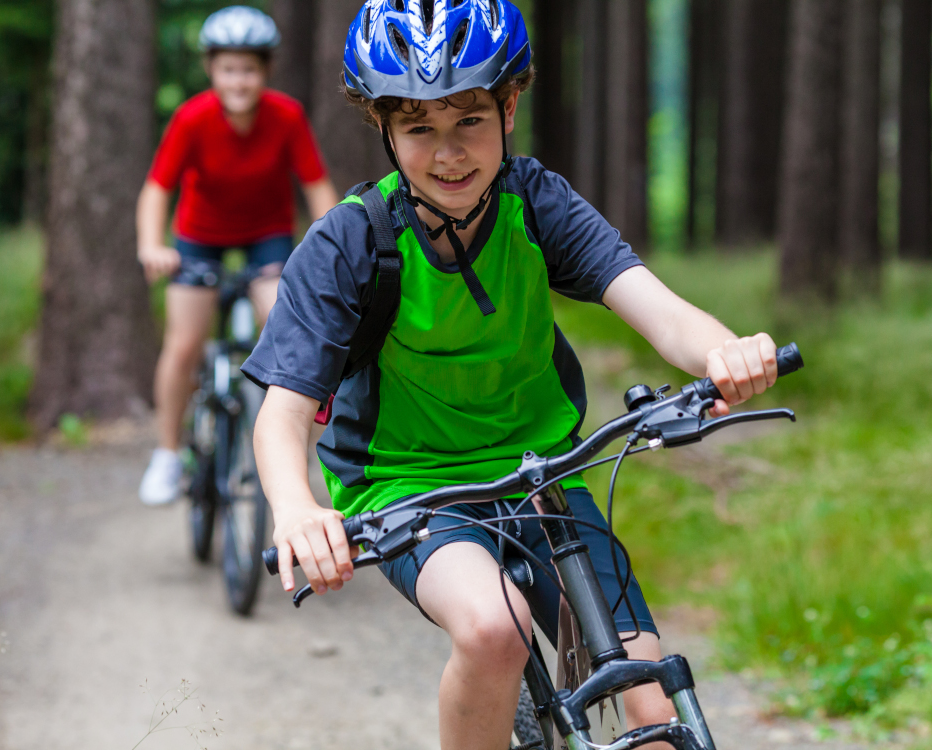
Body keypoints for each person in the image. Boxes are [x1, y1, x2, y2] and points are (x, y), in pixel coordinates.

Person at [244, 2, 780, 748]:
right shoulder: (353, 241)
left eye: (469, 120)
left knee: (654, 710)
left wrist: (725, 351)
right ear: (382, 128)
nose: (449, 153)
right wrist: (298, 508)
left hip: (546, 473)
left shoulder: (537, 203)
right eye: (419, 128)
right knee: (494, 631)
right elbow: (283, 413)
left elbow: (657, 308)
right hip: (409, 489)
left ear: (510, 105)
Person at [137, 6, 339, 506]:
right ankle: (166, 454)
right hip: (199, 238)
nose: (239, 80)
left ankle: (290, 448)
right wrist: (152, 245)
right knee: (184, 344)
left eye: (249, 69)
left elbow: (317, 188)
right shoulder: (192, 119)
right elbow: (157, 190)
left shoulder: (286, 116)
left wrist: (333, 246)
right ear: (211, 70)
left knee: (285, 328)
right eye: (228, 69)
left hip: (266, 237)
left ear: (265, 71)